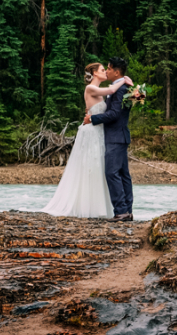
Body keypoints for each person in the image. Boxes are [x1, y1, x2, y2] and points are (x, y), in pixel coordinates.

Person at [41, 63, 130, 218]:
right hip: (91, 133)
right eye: (103, 70)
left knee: (101, 168)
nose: (105, 72)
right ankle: (88, 207)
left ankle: (106, 207)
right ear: (95, 73)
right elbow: (111, 90)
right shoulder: (91, 88)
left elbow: (110, 109)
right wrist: (124, 80)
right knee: (91, 167)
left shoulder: (101, 93)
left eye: (106, 69)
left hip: (100, 132)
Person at [88, 56, 140, 221]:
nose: (107, 71)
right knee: (123, 174)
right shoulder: (122, 87)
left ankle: (121, 211)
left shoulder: (120, 89)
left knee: (112, 173)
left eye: (109, 69)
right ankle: (127, 211)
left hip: (115, 137)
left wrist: (93, 119)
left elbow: (114, 114)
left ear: (116, 71)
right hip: (120, 136)